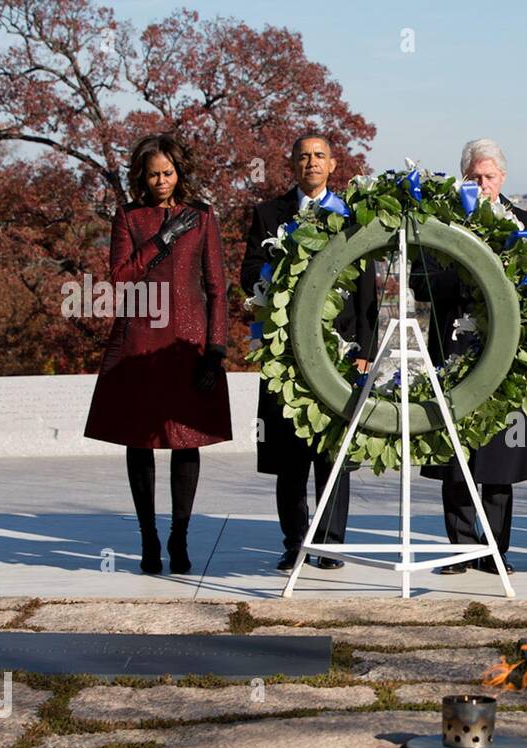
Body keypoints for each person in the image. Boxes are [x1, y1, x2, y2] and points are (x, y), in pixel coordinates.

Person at [85, 134, 232, 575]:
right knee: (140, 442)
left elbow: (217, 288)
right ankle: (148, 538)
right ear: (142, 178)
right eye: (153, 174)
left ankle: (179, 536)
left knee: (187, 442)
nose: (162, 181)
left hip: (189, 346)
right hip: (139, 344)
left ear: (179, 172)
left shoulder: (203, 215)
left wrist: (217, 349)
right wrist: (162, 239)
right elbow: (120, 277)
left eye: (168, 173)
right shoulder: (128, 217)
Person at [411, 139, 527, 576]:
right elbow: (421, 284)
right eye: (475, 177)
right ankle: (460, 550)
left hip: (509, 362)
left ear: (503, 178)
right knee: (455, 460)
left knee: (498, 461)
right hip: (452, 354)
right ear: (464, 178)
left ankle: (494, 550)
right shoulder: (441, 225)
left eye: (490, 176)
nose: (483, 184)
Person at [240, 133, 379, 573]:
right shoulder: (268, 215)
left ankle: (330, 543)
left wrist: (365, 351)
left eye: (319, 156)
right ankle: (295, 543)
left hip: (341, 352)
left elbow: (367, 290)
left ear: (333, 165)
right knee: (291, 453)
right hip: (286, 352)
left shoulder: (352, 215)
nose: (311, 163)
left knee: (334, 453)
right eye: (303, 156)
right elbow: (248, 277)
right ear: (292, 164)